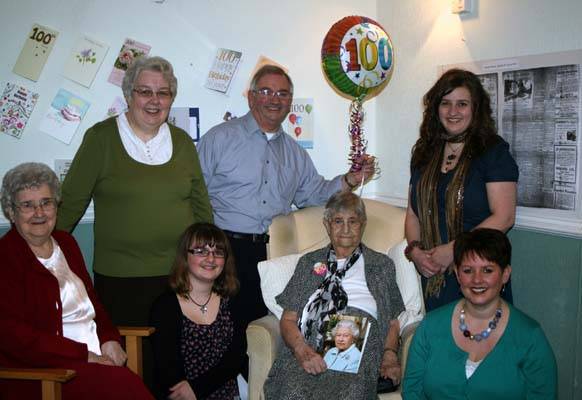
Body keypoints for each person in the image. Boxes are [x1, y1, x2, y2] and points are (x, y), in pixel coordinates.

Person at [198, 65, 375, 325]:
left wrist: (349, 179)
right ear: (251, 96)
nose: (274, 99)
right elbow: (195, 193)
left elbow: (315, 194)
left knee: (260, 327)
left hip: (272, 253)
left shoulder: (295, 153)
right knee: (219, 327)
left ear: (290, 102)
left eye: (282, 94)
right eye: (266, 91)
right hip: (223, 250)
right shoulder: (219, 138)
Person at [56, 56, 213, 328]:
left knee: (173, 363)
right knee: (129, 362)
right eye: (145, 92)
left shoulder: (183, 142)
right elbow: (70, 203)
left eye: (163, 93)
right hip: (120, 279)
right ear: (129, 95)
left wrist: (206, 262)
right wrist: (40, 254)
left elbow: (202, 209)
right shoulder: (100, 139)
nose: (155, 100)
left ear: (171, 99)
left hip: (179, 275)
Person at [0, 162, 153, 400]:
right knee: (125, 385)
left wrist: (110, 338)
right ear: (11, 211)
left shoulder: (66, 243)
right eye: (27, 205)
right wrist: (85, 356)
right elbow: (15, 337)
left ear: (56, 206)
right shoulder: (6, 257)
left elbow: (94, 304)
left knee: (123, 382)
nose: (39, 213)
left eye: (46, 202)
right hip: (47, 372)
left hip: (93, 360)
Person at [263, 192, 404, 399]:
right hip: (310, 341)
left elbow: (392, 322)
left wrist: (390, 356)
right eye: (338, 221)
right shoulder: (308, 263)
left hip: (358, 339)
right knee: (292, 391)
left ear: (363, 224)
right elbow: (289, 318)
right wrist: (302, 351)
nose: (346, 229)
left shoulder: (381, 265)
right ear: (327, 224)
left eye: (353, 221)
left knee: (347, 393)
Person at [405, 68, 519, 311]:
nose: (453, 112)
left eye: (462, 104)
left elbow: (505, 216)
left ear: (475, 108)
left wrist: (455, 250)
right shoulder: (425, 152)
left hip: (477, 275)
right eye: (445, 103)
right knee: (439, 344)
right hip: (432, 275)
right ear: (435, 109)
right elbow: (413, 213)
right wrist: (415, 251)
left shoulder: (492, 152)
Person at [402, 228, 557, 399]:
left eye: (487, 270)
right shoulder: (430, 326)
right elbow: (412, 392)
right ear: (458, 275)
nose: (477, 279)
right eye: (468, 270)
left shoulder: (530, 336)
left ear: (505, 274)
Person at [150, 223, 245, 400]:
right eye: (201, 251)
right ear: (185, 257)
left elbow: (236, 356)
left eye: (218, 252)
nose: (211, 259)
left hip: (225, 394)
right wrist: (190, 393)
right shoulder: (165, 306)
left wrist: (198, 388)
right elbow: (166, 366)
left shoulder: (232, 300)